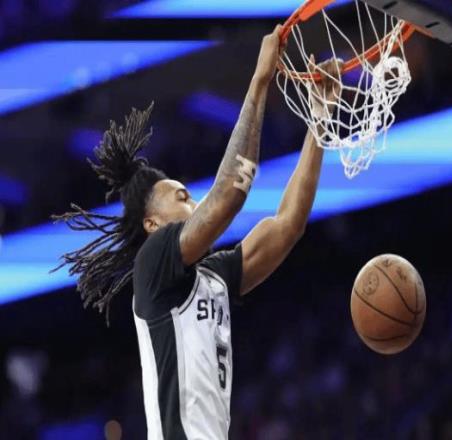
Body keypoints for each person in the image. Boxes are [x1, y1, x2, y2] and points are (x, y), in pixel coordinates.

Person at [53, 25, 341, 440]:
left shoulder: (216, 276)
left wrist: (319, 120)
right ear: (153, 225)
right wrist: (260, 81)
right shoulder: (152, 265)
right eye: (182, 197)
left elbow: (288, 224)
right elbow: (229, 195)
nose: (194, 204)